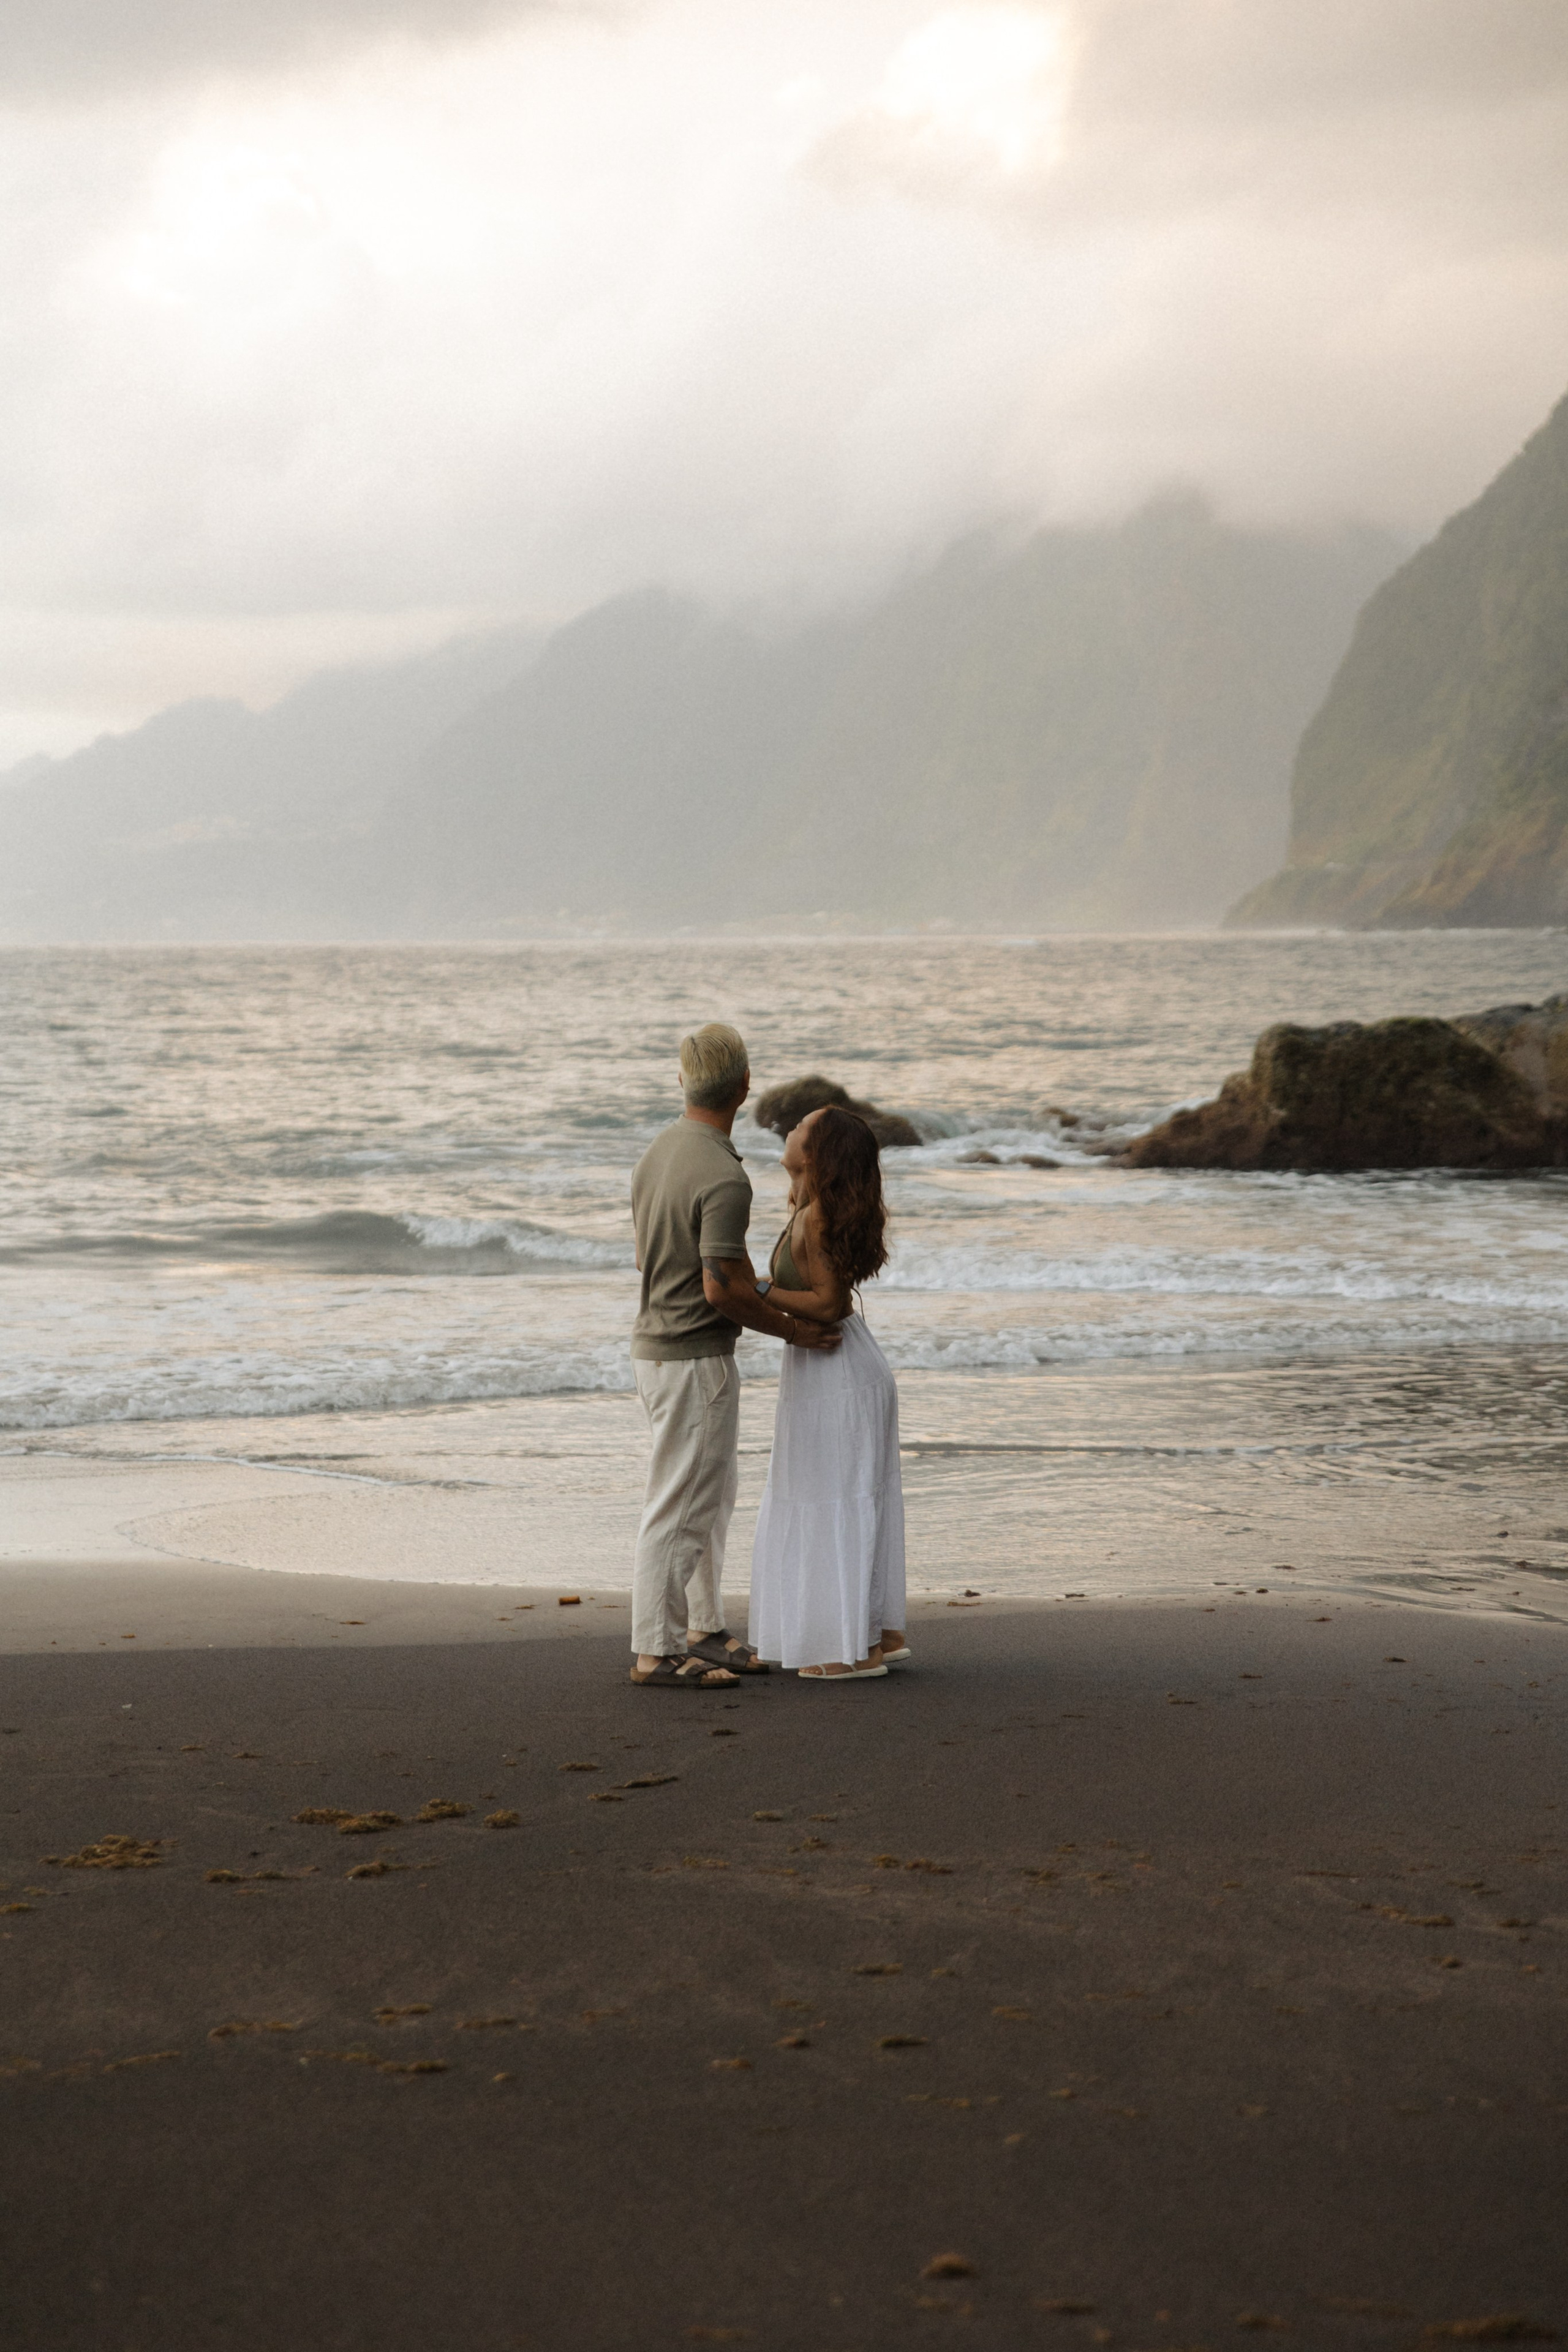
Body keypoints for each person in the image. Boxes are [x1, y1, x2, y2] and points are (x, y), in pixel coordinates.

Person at [628, 1023, 842, 1689]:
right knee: (682, 1505)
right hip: (692, 1358)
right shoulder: (723, 1175)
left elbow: (664, 1260)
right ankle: (655, 1652)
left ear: (684, 1082)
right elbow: (720, 1288)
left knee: (709, 1499)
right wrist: (793, 1330)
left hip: (659, 1349)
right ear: (745, 1087)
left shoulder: (658, 1152)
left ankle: (704, 1627)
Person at [745, 1104, 908, 1681]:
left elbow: (831, 1304)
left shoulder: (815, 1217)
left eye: (800, 1127)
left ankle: (854, 1652)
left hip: (839, 1374)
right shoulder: (808, 1207)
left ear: (817, 1153)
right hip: (831, 1370)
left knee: (834, 1499)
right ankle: (871, 1633)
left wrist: (761, 1291)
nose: (789, 1128)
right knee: (837, 1496)